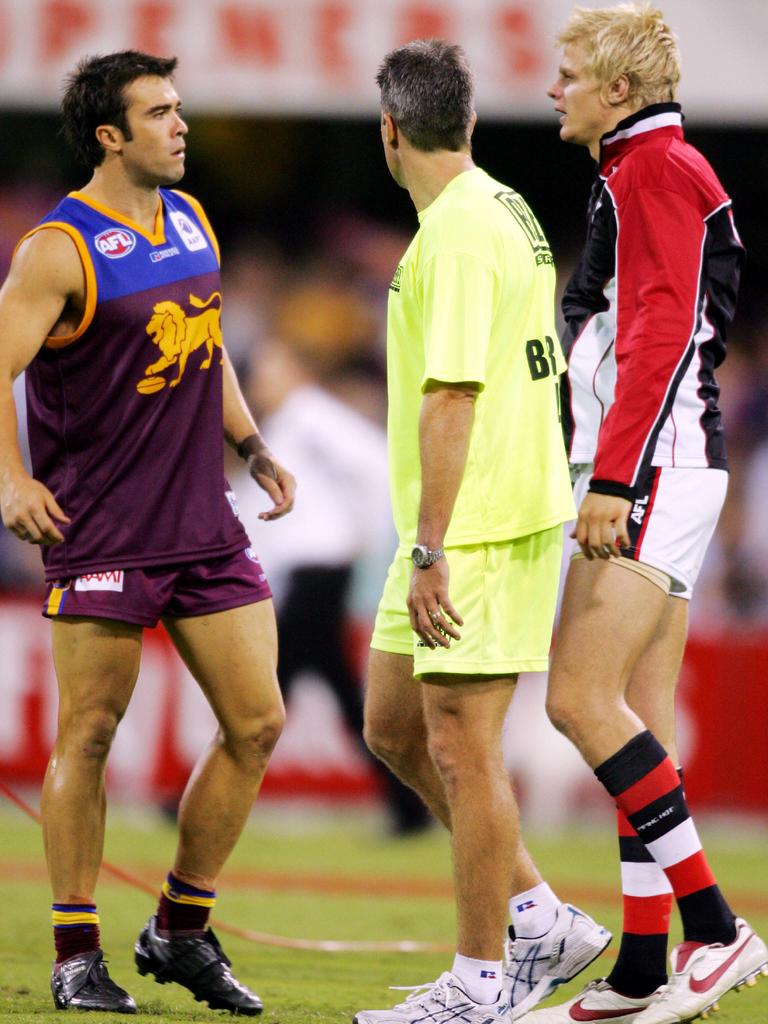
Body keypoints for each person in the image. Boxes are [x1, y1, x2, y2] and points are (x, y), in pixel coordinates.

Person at [0, 51, 296, 1015]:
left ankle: (178, 929)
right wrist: (10, 478)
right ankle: (75, 954)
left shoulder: (189, 217)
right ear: (109, 136)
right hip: (102, 530)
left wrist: (250, 445)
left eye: (181, 108)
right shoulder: (58, 248)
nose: (182, 125)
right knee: (89, 733)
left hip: (202, 524)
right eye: (159, 113)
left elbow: (205, 348)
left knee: (257, 725)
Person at [355, 40, 610, 1024]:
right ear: (463, 122)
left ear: (390, 131)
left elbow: (453, 396)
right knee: (391, 722)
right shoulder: (504, 204)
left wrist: (431, 546)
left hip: (478, 523)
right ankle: (541, 916)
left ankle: (479, 978)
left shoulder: (456, 233)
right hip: (462, 513)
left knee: (464, 747)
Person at [526, 6, 768, 1023]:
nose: (556, 88)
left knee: (577, 700)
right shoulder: (644, 168)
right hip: (671, 459)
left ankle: (716, 929)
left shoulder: (655, 172)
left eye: (570, 73)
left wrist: (613, 480)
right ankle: (638, 963)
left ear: (617, 91)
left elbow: (663, 337)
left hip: (656, 464)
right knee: (639, 718)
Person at [235, 332, 430, 834]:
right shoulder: (284, 424)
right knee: (329, 693)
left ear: (296, 369)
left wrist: (363, 541)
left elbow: (375, 461)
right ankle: (409, 806)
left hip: (321, 573)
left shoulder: (309, 414)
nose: (256, 382)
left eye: (266, 368)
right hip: (309, 577)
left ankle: (204, 793)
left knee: (266, 692)